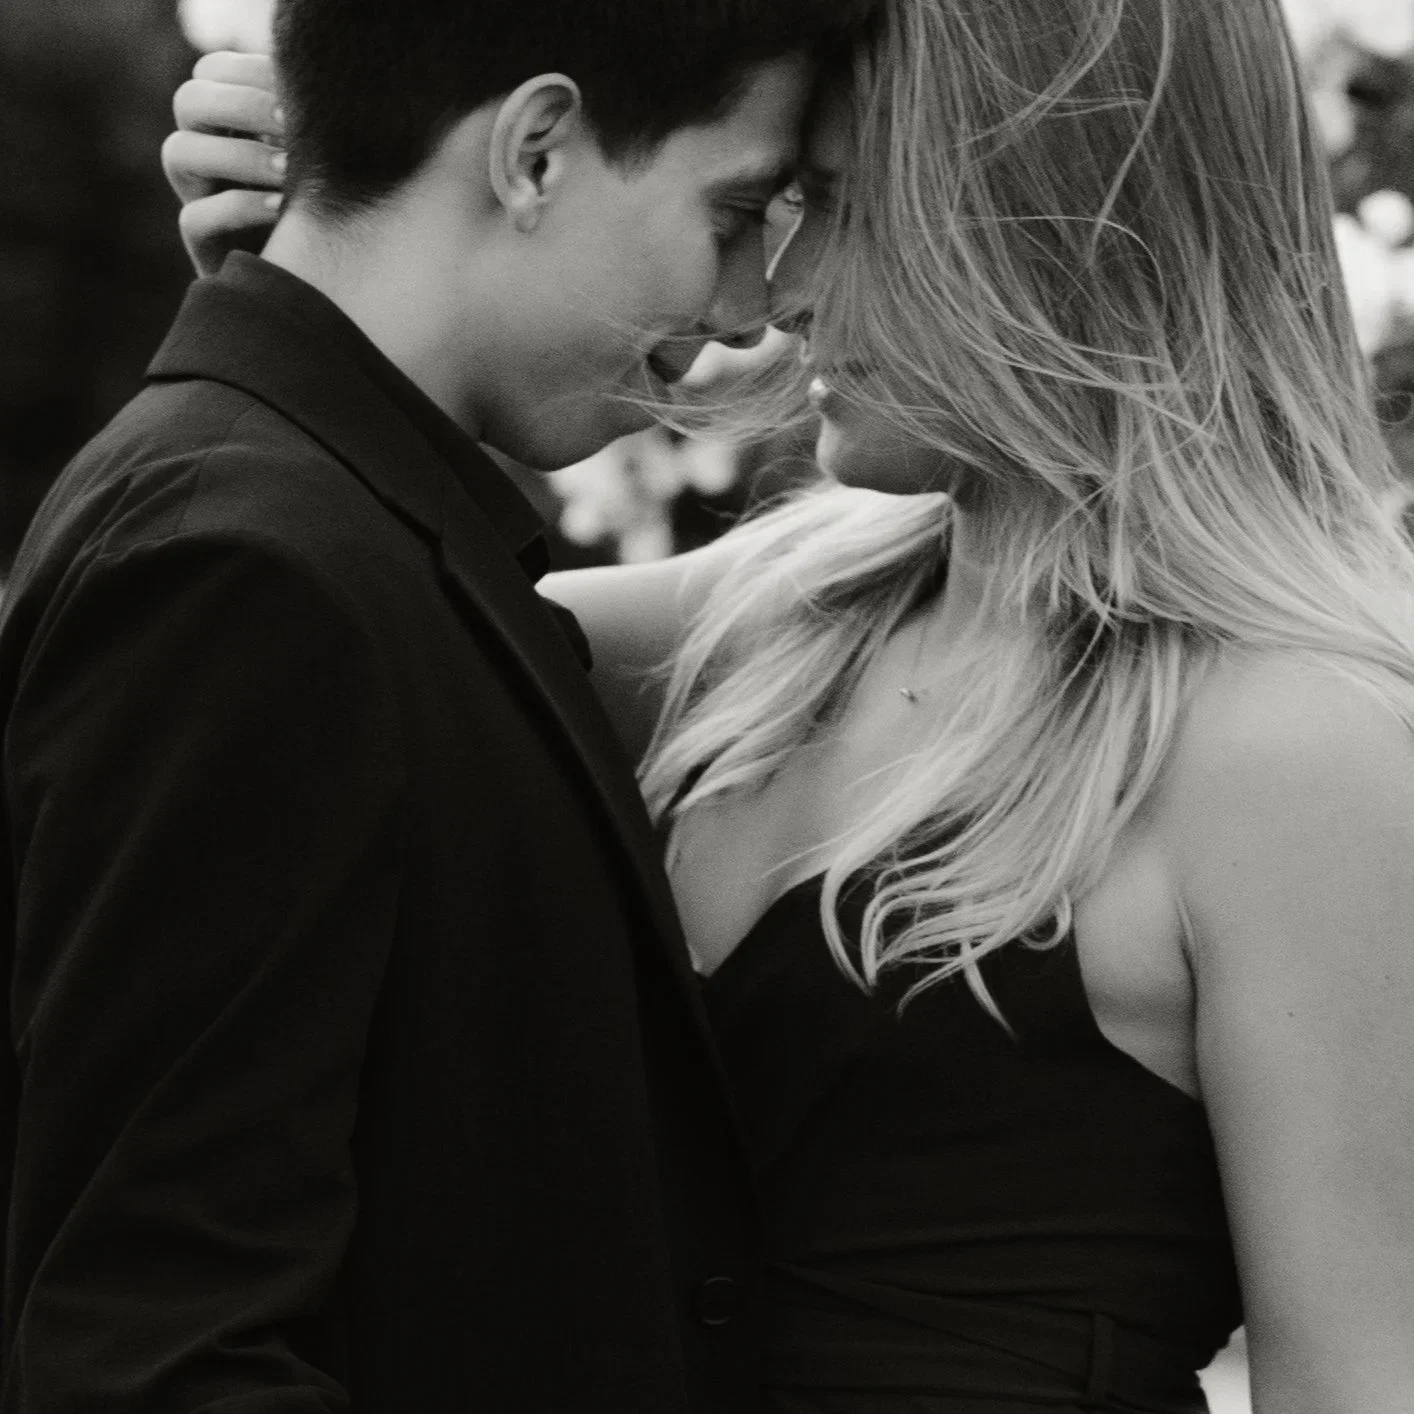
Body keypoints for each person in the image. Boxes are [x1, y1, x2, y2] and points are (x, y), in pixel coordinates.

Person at [168, 0, 1414, 1410]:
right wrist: (344, 253)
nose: (774, 287)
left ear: (1057, 214)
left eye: (836, 201)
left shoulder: (1303, 741)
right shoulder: (743, 637)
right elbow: (303, 622)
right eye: (767, 201)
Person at [0, 1, 879, 1410]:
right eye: (731, 212)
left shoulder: (336, 516)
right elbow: (157, 1343)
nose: (735, 315)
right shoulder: (247, 572)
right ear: (535, 150)